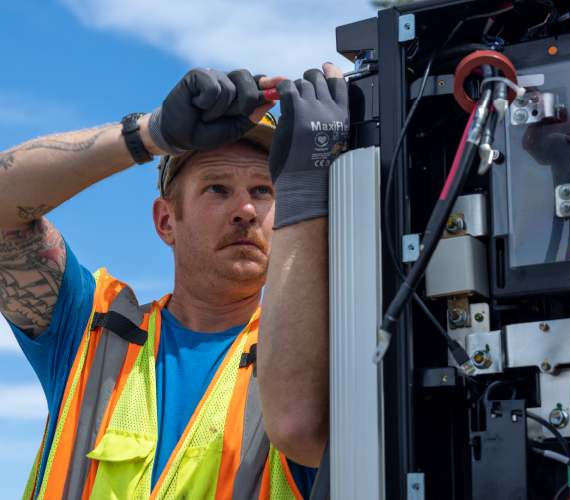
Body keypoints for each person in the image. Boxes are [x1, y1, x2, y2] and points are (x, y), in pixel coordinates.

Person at [0, 63, 348, 499]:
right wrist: (150, 134)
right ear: (166, 221)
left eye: (264, 191)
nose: (245, 209)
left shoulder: (319, 362)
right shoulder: (89, 332)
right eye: (217, 188)